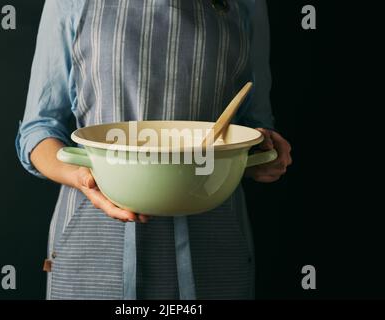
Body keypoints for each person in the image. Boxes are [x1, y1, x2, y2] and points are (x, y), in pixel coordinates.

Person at [16, 0, 292, 300]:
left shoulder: (247, 5)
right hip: (95, 242)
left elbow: (256, 126)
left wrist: (265, 155)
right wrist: (83, 178)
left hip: (212, 244)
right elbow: (39, 129)